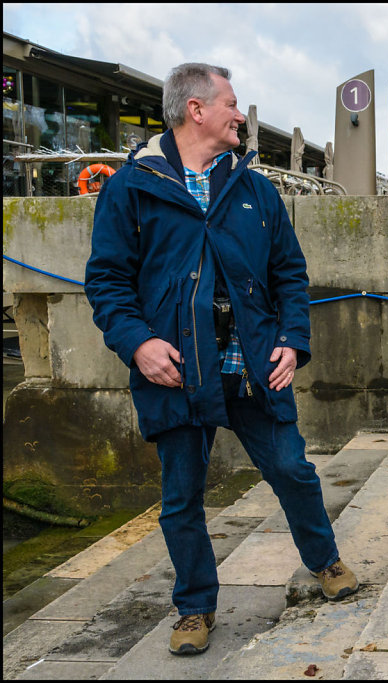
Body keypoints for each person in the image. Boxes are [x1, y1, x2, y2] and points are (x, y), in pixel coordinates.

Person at [83, 63, 358, 657]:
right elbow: (107, 281)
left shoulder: (255, 189)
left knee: (292, 469)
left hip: (252, 364)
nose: (241, 114)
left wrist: (292, 339)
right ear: (196, 110)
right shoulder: (130, 188)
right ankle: (194, 608)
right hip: (177, 369)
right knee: (182, 495)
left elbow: (289, 273)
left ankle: (324, 559)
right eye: (232, 103)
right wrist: (137, 343)